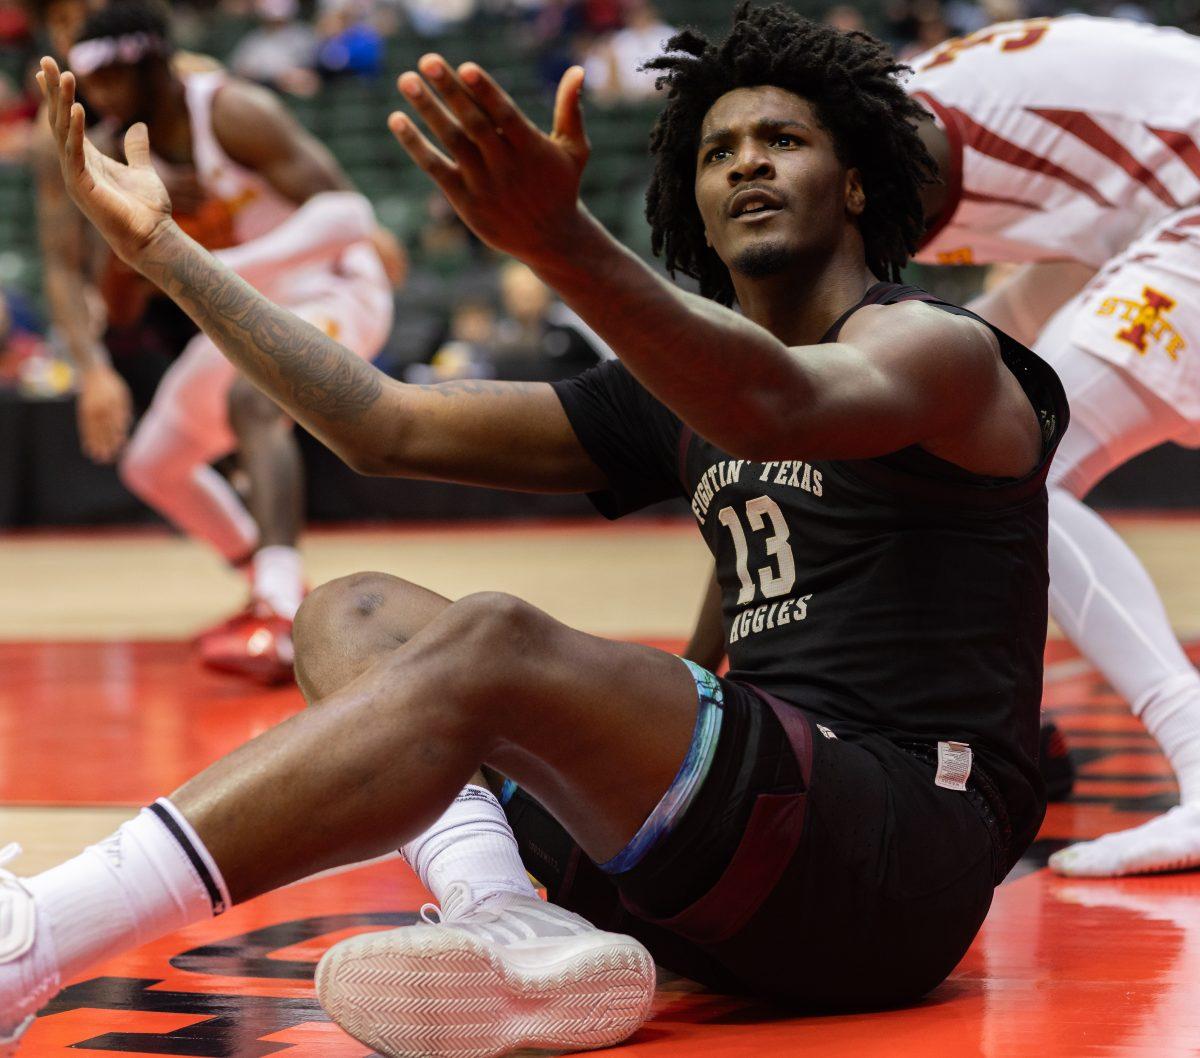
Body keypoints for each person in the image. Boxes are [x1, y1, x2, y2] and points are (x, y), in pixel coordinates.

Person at [7, 7, 1064, 1058]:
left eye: (782, 140)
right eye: (718, 150)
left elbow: (774, 403)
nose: (747, 163)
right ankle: (509, 918)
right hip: (728, 867)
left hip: (897, 863)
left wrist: (558, 241)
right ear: (691, 196)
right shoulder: (682, 391)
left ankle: (40, 937)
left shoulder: (938, 349)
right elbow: (383, 424)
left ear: (857, 182)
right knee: (349, 613)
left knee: (496, 641)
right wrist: (165, 252)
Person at [909, 14, 1200, 876]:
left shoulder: (884, 148)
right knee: (971, 437)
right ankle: (997, 727)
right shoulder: (925, 114)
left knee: (1020, 465)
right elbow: (1045, 284)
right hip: (1164, 212)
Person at [60, 0, 397, 682]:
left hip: (334, 293)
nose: (98, 101)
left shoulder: (231, 111)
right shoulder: (124, 151)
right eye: (89, 89)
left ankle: (277, 609)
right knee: (151, 464)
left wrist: (196, 262)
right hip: (245, 311)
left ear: (148, 63)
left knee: (255, 397)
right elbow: (120, 309)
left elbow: (347, 213)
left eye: (108, 83)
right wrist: (138, 238)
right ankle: (269, 586)